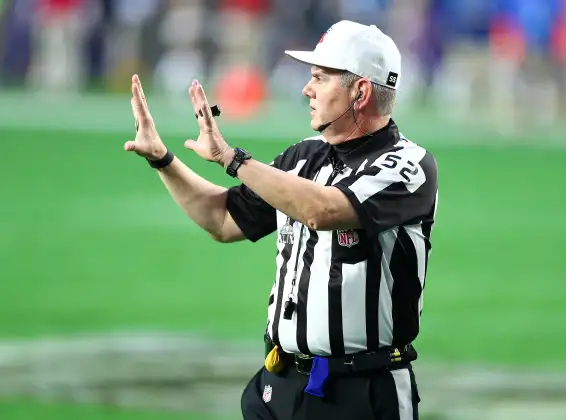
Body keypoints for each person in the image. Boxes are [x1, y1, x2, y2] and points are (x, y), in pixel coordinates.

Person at [125, 20, 438, 420]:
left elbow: (322, 210)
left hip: (362, 393)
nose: (306, 89)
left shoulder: (408, 165)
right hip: (281, 382)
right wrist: (162, 160)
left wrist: (232, 159)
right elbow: (222, 219)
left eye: (320, 79)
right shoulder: (303, 157)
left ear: (359, 92)